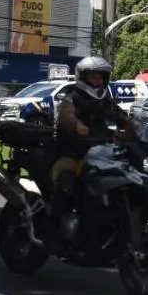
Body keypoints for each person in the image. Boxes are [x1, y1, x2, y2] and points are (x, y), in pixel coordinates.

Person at [50, 56, 130, 243]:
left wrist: (137, 128)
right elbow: (66, 115)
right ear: (83, 78)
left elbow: (123, 118)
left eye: (101, 77)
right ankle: (54, 227)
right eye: (93, 77)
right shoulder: (73, 96)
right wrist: (77, 125)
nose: (98, 81)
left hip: (100, 152)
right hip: (72, 152)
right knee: (67, 183)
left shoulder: (106, 100)